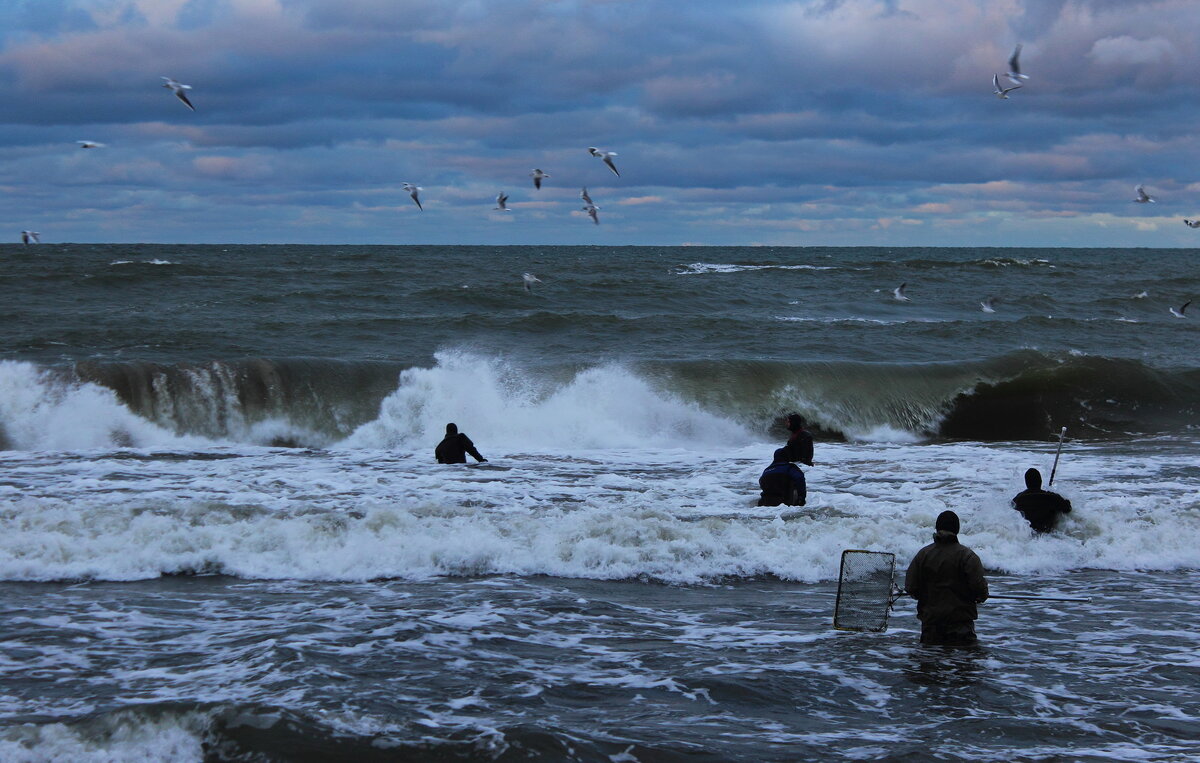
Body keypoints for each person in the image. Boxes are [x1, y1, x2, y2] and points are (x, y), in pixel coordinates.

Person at [904, 510, 989, 646]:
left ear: (937, 528)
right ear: (957, 529)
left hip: (931, 628)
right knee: (962, 664)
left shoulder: (923, 555)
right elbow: (981, 591)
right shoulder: (968, 556)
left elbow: (911, 587)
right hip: (961, 629)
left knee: (931, 664)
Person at [1012, 468, 1072, 533]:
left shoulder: (1018, 499)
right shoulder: (1051, 497)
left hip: (1026, 535)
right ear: (1040, 481)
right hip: (1048, 535)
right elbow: (1067, 508)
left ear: (1026, 483)